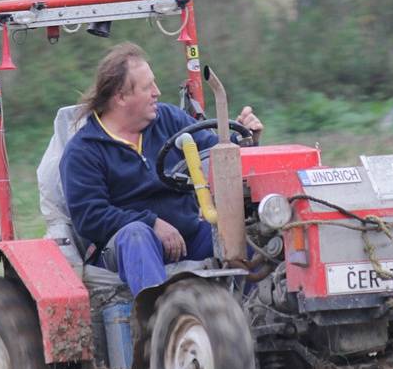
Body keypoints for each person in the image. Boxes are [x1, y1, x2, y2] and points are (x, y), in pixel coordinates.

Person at [60, 42, 263, 296]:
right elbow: (89, 216)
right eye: (147, 87)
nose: (157, 92)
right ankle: (158, 324)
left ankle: (260, 319)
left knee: (250, 238)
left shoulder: (168, 119)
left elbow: (213, 156)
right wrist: (152, 223)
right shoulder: (84, 151)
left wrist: (245, 141)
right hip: (126, 248)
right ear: (121, 97)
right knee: (136, 235)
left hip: (188, 236)